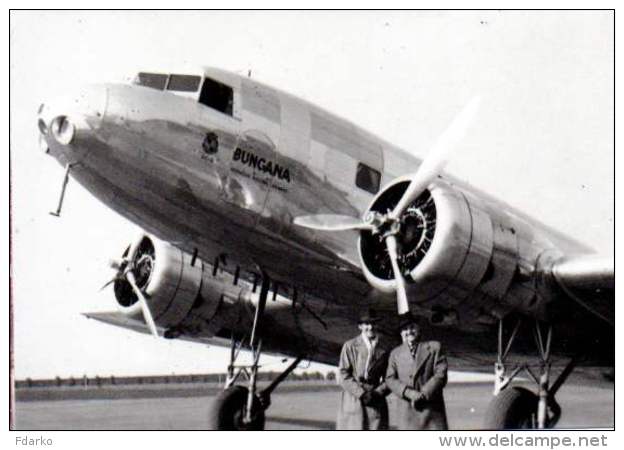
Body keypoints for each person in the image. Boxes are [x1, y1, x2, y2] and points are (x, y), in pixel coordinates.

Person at [386, 313, 449, 430]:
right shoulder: (395, 353)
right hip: (407, 413)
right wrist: (410, 393)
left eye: (412, 327)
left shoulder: (435, 347)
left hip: (432, 413)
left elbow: (441, 374)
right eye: (405, 329)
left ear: (419, 329)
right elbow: (390, 379)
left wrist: (423, 394)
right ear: (401, 333)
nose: (409, 332)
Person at [336, 309, 390, 430]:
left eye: (374, 323)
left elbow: (390, 377)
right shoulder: (349, 346)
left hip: (376, 400)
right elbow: (343, 374)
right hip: (353, 398)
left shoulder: (385, 348)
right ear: (360, 326)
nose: (370, 327)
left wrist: (378, 392)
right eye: (366, 324)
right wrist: (361, 394)